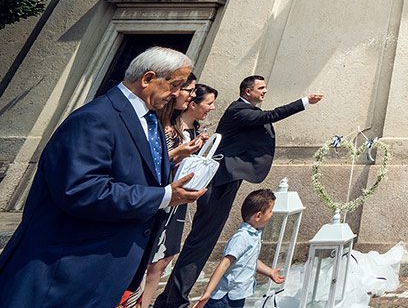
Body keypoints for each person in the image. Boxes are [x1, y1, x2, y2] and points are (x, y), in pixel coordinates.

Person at [0, 47, 206, 308]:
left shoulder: (149, 120)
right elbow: (80, 189)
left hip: (102, 275)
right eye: (176, 85)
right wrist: (164, 196)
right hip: (64, 274)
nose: (180, 94)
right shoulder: (95, 119)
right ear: (147, 79)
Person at [154, 76, 323, 308]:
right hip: (220, 181)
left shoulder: (245, 110)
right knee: (201, 242)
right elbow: (269, 116)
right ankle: (174, 301)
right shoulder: (238, 109)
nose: (265, 91)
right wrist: (304, 101)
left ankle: (171, 299)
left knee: (202, 242)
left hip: (228, 180)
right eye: (261, 88)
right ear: (247, 90)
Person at [140, 83, 219, 307]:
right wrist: (180, 154)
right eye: (209, 103)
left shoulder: (195, 132)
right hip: (162, 197)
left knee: (164, 259)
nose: (212, 108)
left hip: (179, 200)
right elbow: (155, 164)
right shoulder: (167, 129)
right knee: (150, 260)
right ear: (192, 104)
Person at [194, 189, 284, 308]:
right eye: (270, 211)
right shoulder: (242, 237)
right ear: (258, 216)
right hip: (224, 298)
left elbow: (250, 261)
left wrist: (270, 272)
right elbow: (224, 264)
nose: (272, 214)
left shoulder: (254, 235)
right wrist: (207, 293)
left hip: (237, 296)